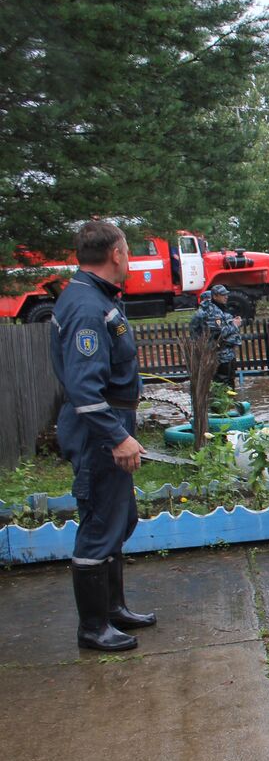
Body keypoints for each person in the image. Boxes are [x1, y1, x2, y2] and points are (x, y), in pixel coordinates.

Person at [48, 221, 156, 652]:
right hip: (98, 430)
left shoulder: (97, 297)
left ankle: (114, 609)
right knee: (99, 524)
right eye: (128, 250)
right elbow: (83, 388)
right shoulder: (87, 307)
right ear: (116, 253)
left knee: (118, 518)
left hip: (110, 424)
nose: (129, 257)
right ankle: (93, 627)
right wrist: (116, 437)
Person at [189, 284, 242, 388]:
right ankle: (224, 402)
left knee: (227, 382)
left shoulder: (217, 311)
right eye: (223, 295)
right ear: (215, 296)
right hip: (220, 354)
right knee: (223, 382)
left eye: (226, 294)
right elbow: (219, 333)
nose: (226, 297)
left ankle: (228, 402)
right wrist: (235, 325)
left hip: (222, 353)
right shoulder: (213, 312)